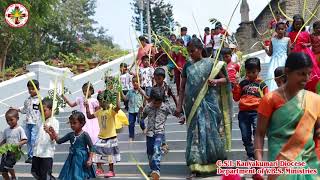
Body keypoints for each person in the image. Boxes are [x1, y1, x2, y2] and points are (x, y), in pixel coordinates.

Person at [255, 52, 320, 179]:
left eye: (309, 73)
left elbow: (317, 130)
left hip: (309, 161)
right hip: (281, 161)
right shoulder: (270, 99)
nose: (306, 78)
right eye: (301, 74)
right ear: (288, 71)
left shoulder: (314, 100)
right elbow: (259, 133)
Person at [174, 38, 232, 176]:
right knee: (195, 134)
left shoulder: (212, 63)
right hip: (192, 105)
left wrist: (216, 81)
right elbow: (182, 88)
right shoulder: (187, 66)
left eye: (192, 51)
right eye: (188, 52)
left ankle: (216, 163)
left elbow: (226, 80)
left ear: (200, 49)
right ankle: (195, 166)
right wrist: (179, 106)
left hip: (209, 104)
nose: (190, 54)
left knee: (211, 132)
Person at [232, 57, 268, 161]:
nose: (251, 74)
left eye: (253, 72)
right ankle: (250, 154)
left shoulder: (262, 84)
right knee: (245, 135)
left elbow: (266, 99)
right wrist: (236, 87)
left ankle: (257, 154)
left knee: (257, 132)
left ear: (259, 70)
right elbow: (236, 98)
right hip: (243, 113)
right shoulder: (242, 83)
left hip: (257, 112)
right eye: (248, 72)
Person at [48, 111, 96, 180]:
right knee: (70, 175)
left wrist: (90, 159)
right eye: (71, 123)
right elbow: (59, 141)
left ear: (82, 123)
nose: (72, 125)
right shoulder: (70, 135)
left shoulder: (85, 135)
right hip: (72, 158)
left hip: (82, 159)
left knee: (79, 175)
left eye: (74, 123)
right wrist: (53, 132)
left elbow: (92, 147)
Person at [85, 87, 121, 178]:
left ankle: (111, 171)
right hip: (101, 136)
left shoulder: (111, 110)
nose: (100, 103)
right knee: (96, 150)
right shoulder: (99, 111)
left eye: (101, 101)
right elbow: (89, 116)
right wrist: (87, 107)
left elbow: (118, 107)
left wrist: (117, 96)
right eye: (99, 102)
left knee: (110, 155)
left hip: (111, 136)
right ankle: (100, 168)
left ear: (107, 101)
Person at [142, 87, 175, 180]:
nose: (157, 104)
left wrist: (181, 117)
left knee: (156, 148)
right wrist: (143, 126)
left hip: (159, 132)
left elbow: (174, 112)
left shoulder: (165, 107)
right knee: (150, 153)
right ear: (152, 99)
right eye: (155, 102)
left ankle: (156, 170)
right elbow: (142, 117)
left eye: (159, 102)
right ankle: (153, 170)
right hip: (149, 133)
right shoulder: (148, 107)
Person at [288, 15, 320, 92]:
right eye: (297, 24)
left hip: (306, 53)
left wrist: (306, 45)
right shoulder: (290, 34)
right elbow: (290, 44)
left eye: (300, 24)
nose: (298, 25)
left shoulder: (306, 33)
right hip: (296, 54)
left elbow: (309, 43)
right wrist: (291, 46)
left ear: (303, 24)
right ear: (294, 25)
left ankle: (310, 85)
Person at [11, 79, 41, 164]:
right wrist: (16, 109)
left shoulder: (40, 100)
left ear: (38, 89)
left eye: (33, 88)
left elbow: (44, 111)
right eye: (29, 89)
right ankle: (30, 156)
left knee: (34, 140)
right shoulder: (27, 100)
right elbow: (24, 110)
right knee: (27, 139)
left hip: (36, 123)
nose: (31, 90)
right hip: (28, 123)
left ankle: (34, 156)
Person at [31, 97, 59, 180]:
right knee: (34, 172)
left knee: (45, 175)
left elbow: (54, 138)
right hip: (37, 152)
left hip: (46, 154)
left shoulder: (54, 122)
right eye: (40, 111)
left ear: (51, 110)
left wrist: (49, 132)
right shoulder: (40, 121)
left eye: (44, 110)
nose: (42, 113)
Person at [0, 109, 27, 180]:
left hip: (14, 153)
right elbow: (4, 140)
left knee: (8, 166)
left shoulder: (20, 129)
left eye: (11, 120)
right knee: (3, 171)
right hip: (5, 152)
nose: (9, 122)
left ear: (17, 118)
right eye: (7, 120)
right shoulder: (6, 130)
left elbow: (25, 140)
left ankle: (13, 176)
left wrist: (18, 144)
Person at [264, 22, 290, 91]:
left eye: (282, 29)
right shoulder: (273, 40)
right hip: (274, 62)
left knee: (284, 76)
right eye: (279, 29)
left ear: (285, 29)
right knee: (271, 75)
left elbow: (288, 53)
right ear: (276, 30)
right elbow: (270, 53)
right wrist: (265, 49)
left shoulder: (287, 40)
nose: (280, 30)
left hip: (284, 61)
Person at [121, 77, 146, 141]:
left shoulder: (141, 91)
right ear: (132, 83)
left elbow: (145, 98)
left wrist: (143, 106)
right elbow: (125, 98)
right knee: (131, 123)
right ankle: (131, 136)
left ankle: (143, 128)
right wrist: (120, 92)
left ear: (139, 82)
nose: (135, 83)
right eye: (133, 82)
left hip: (139, 110)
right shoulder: (130, 92)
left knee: (141, 121)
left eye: (137, 82)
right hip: (131, 110)